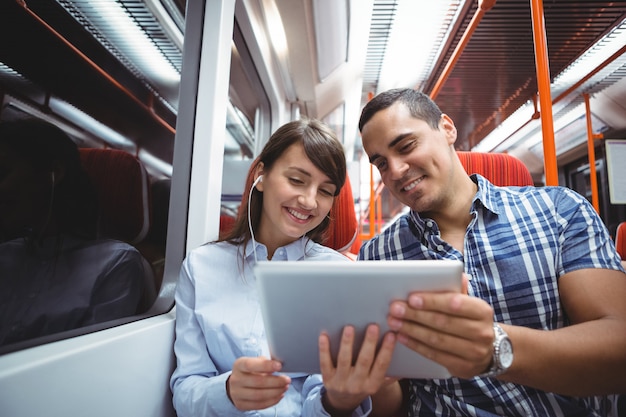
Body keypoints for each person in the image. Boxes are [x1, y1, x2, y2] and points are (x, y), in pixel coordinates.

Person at [357, 88, 626, 416]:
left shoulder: (558, 210)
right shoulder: (376, 256)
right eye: (382, 164)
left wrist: (496, 349)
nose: (395, 171)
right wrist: (364, 388)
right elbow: (394, 398)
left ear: (447, 129)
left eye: (406, 146)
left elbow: (618, 347)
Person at [170, 118, 397, 417]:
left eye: (325, 191)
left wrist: (337, 401)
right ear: (261, 176)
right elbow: (185, 388)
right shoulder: (200, 267)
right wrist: (226, 392)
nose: (309, 201)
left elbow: (321, 396)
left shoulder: (339, 274)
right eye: (297, 180)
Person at [0, 118, 149, 347]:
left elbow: (94, 360)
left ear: (54, 174)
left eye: (3, 173)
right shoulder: (6, 255)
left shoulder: (114, 262)